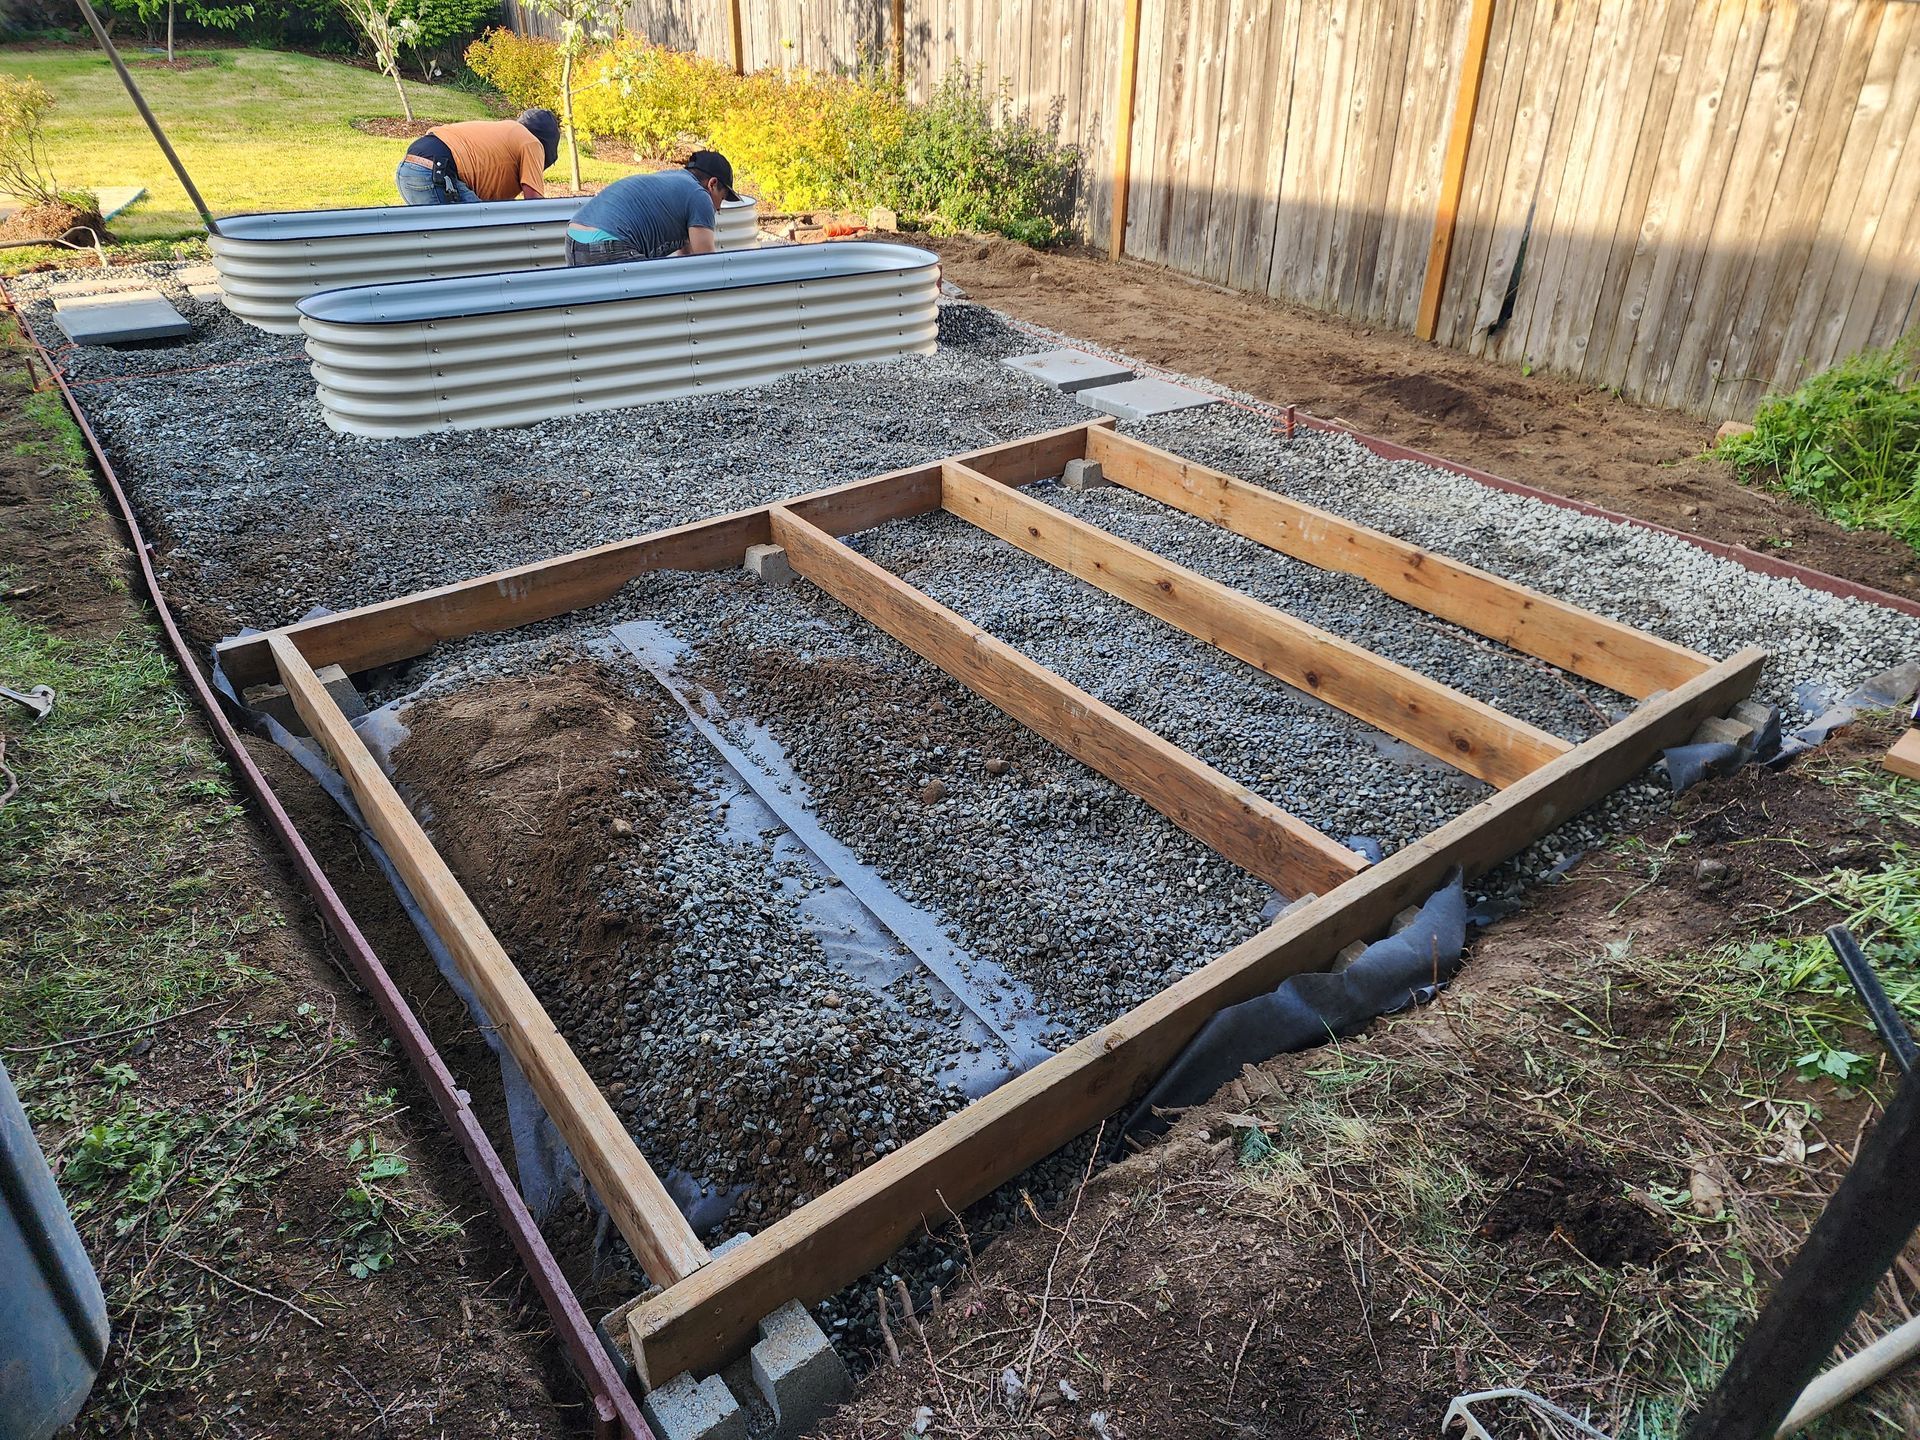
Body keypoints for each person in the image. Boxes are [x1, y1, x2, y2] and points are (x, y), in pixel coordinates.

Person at [563, 151, 739, 267]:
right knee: (649, 313)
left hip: (575, 237)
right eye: (721, 199)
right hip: (608, 243)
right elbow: (706, 263)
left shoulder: (674, 182)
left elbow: (688, 257)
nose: (718, 208)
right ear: (712, 184)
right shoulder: (700, 196)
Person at [395, 110, 560, 206]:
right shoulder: (531, 142)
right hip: (435, 173)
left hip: (408, 168)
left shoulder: (506, 133)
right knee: (481, 233)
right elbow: (534, 204)